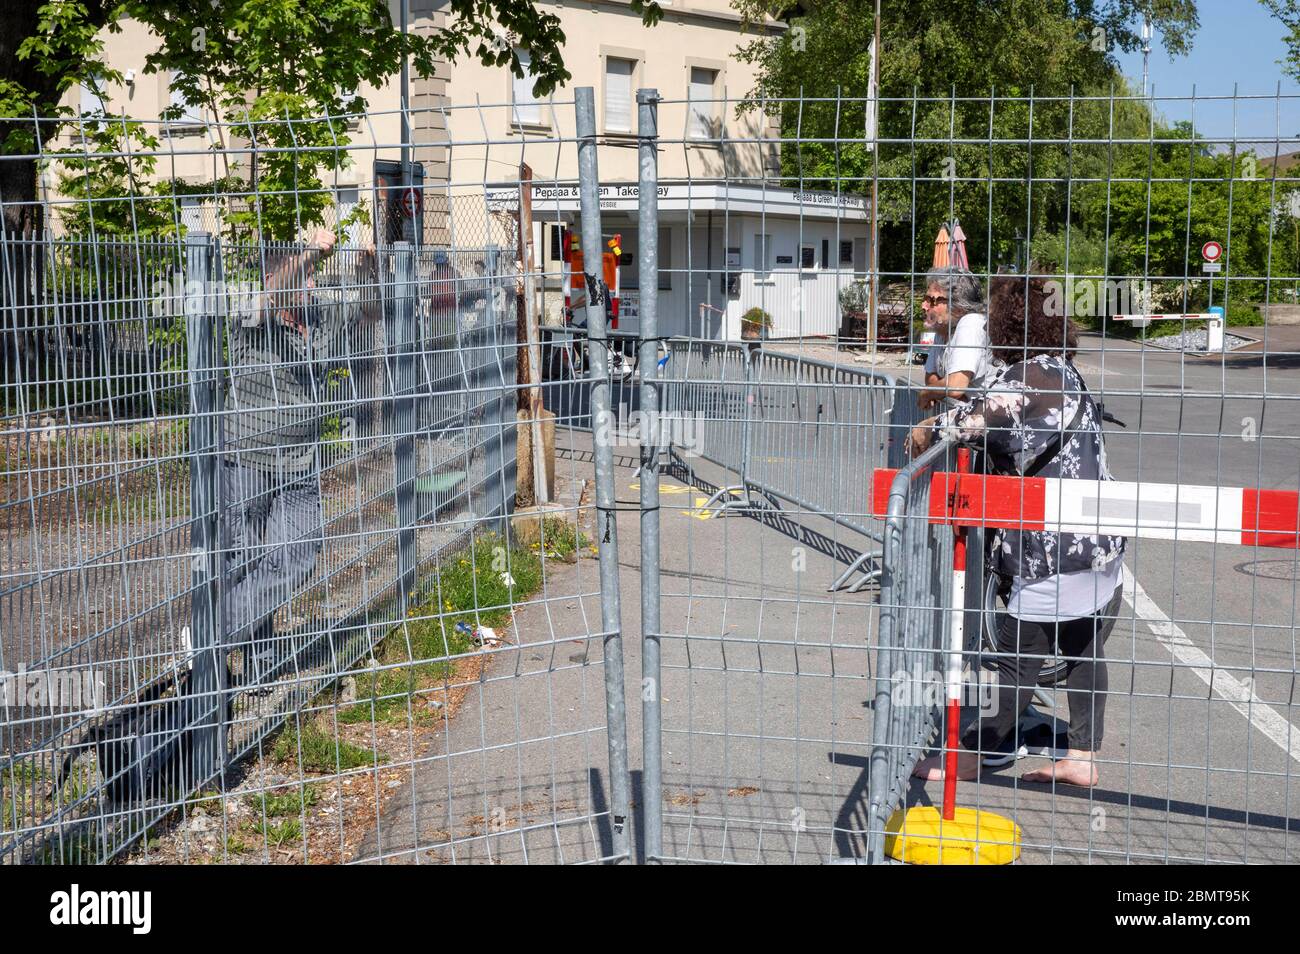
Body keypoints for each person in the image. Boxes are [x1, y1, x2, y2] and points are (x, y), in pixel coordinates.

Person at [906, 275, 1126, 787]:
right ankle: (1084, 756)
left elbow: (973, 419)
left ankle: (969, 755)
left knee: (1013, 654)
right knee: (1082, 647)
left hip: (1055, 548)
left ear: (1006, 326)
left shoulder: (1030, 376)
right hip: (1096, 544)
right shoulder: (1063, 372)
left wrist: (926, 431)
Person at [221, 228, 381, 686]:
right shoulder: (250, 312)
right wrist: (311, 253)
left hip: (300, 462)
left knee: (297, 557)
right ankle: (257, 665)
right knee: (245, 563)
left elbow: (370, 309)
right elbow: (275, 293)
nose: (312, 285)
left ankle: (215, 630)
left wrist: (368, 267)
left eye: (313, 278)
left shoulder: (321, 314)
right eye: (305, 277)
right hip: (246, 457)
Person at [916, 266, 1000, 409]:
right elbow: (930, 378)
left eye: (932, 300)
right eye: (926, 298)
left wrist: (926, 394)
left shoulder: (971, 322)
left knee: (921, 430)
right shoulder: (942, 330)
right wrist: (938, 389)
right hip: (974, 415)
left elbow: (955, 386)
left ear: (958, 307)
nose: (924, 305)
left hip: (994, 420)